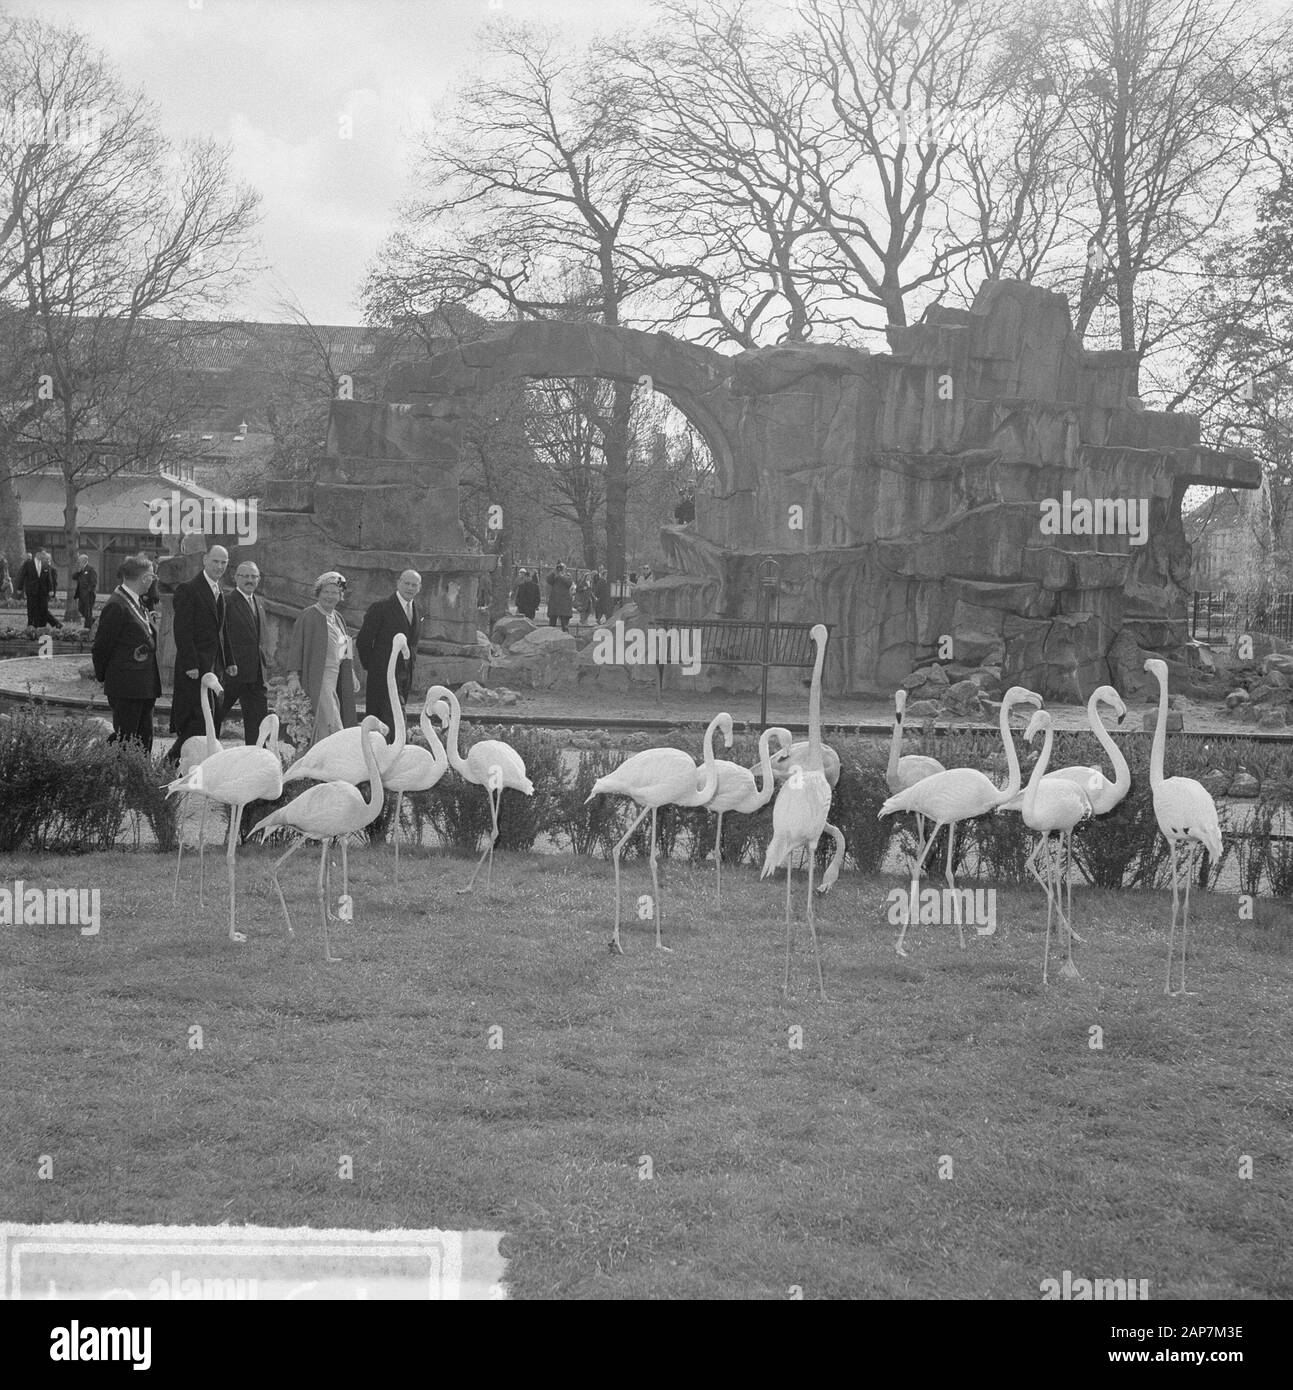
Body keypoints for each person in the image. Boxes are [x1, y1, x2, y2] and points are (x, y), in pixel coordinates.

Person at [167, 545, 232, 763]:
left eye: (224, 562)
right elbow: (182, 630)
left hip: (213, 667)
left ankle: (197, 767)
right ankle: (169, 764)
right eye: (216, 561)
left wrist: (228, 661)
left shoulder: (218, 590)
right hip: (194, 668)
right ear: (205, 560)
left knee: (210, 720)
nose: (220, 566)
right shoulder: (189, 589)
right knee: (195, 721)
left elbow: (220, 631)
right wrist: (191, 664)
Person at [91, 555, 161, 748]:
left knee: (144, 740)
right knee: (127, 741)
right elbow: (101, 646)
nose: (153, 581)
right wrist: (105, 677)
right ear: (145, 578)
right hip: (127, 686)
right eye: (152, 577)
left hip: (143, 686)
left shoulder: (137, 601)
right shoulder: (117, 605)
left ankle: (140, 777)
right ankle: (120, 776)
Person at [285, 571, 359, 745]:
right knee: (330, 718)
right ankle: (337, 754)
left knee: (332, 715)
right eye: (326, 591)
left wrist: (352, 672)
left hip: (337, 676)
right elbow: (296, 646)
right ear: (318, 592)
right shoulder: (308, 615)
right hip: (319, 677)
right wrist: (293, 676)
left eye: (334, 592)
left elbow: (344, 648)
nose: (330, 596)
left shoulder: (339, 618)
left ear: (341, 596)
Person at [356, 569, 421, 741]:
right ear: (398, 583)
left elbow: (412, 644)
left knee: (395, 717)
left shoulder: (416, 609)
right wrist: (374, 667)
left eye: (414, 585)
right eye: (406, 583)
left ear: (419, 588)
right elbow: (363, 641)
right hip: (382, 675)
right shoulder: (381, 608)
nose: (410, 587)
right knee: (391, 721)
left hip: (404, 676)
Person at [222, 559, 273, 745]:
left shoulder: (259, 602)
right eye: (245, 576)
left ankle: (257, 762)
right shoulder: (227, 601)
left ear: (259, 579)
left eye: (253, 576)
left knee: (258, 725)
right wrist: (227, 663)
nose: (249, 580)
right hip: (233, 673)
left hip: (257, 675)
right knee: (213, 717)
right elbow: (222, 635)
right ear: (236, 578)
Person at [16, 548, 61, 629]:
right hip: (32, 591)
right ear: (37, 554)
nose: (44, 555)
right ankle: (31, 626)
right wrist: (19, 588)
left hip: (43, 591)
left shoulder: (46, 565)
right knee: (32, 609)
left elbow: (49, 578)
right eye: (43, 554)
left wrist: (51, 590)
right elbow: (22, 576)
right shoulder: (28, 564)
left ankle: (42, 627)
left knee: (44, 608)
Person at [546, 561, 573, 632]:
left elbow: (569, 583)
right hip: (554, 603)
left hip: (564, 604)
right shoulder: (554, 576)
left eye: (562, 567)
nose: (560, 569)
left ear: (565, 568)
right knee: (551, 625)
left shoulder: (567, 575)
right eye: (559, 567)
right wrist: (554, 571)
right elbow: (548, 580)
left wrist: (560, 576)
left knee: (565, 625)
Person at [72, 553, 97, 627]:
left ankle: (88, 627)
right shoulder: (81, 570)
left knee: (88, 611)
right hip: (81, 595)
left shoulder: (91, 569)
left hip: (89, 595)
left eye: (79, 561)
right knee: (81, 609)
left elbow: (93, 582)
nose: (78, 562)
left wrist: (88, 591)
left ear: (84, 560)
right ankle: (92, 621)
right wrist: (79, 571)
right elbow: (73, 577)